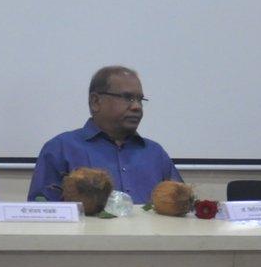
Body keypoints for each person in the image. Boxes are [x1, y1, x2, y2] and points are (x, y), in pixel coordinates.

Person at [28, 65, 181, 203]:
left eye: (140, 99)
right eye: (127, 98)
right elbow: (42, 212)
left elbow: (182, 205)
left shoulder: (155, 153)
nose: (137, 107)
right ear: (95, 102)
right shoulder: (60, 149)